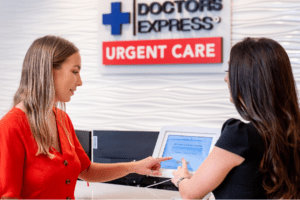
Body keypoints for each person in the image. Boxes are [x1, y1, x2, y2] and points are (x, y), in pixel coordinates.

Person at [0, 35, 172, 199]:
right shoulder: (11, 126)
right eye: (74, 71)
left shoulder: (61, 119)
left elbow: (87, 171)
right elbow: (8, 196)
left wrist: (135, 167)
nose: (80, 81)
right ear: (49, 71)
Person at [171, 37, 300, 199]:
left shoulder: (240, 135)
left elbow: (190, 193)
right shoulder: (292, 131)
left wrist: (182, 178)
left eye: (230, 71)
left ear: (247, 78)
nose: (226, 79)